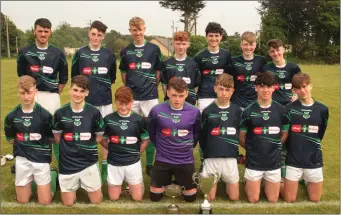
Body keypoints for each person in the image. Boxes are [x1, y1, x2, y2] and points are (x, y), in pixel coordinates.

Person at [71, 20, 117, 182]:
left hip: (105, 101)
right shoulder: (80, 54)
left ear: (103, 36)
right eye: (93, 34)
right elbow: (75, 79)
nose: (96, 37)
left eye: (99, 35)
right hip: (85, 103)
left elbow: (112, 78)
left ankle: (105, 167)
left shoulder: (109, 54)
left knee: (106, 136)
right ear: (88, 33)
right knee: (85, 135)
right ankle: (88, 167)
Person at [119, 17, 163, 177]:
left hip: (150, 96)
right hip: (133, 97)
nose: (138, 32)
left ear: (145, 29)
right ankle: (131, 159)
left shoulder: (154, 49)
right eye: (134, 30)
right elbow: (124, 74)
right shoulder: (125, 51)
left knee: (151, 130)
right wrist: (131, 90)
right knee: (131, 129)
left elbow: (158, 71)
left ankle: (150, 164)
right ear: (130, 30)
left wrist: (152, 86)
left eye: (140, 29)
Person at [52, 75, 105, 206]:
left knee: (97, 201)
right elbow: (57, 137)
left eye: (82, 91)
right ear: (70, 90)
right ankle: (53, 175)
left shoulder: (94, 113)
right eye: (75, 90)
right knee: (68, 204)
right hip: (68, 163)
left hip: (89, 162)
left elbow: (99, 136)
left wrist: (87, 146)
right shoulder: (60, 113)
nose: (78, 94)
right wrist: (69, 148)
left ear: (87, 93)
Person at [4, 75, 57, 205]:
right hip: (22, 160)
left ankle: (53, 175)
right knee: (22, 201)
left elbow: (52, 138)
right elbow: (11, 139)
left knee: (45, 201)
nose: (26, 96)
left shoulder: (45, 116)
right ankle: (31, 181)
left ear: (36, 91)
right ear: (18, 92)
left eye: (29, 92)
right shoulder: (11, 117)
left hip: (41, 160)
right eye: (22, 93)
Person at [239, 71, 290, 203]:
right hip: (254, 162)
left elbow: (284, 133)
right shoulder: (248, 111)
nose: (265, 90)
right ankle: (254, 181)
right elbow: (241, 136)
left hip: (273, 161)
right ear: (256, 88)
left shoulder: (282, 110)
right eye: (261, 86)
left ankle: (279, 181)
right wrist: (252, 149)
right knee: (253, 199)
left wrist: (276, 145)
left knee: (273, 199)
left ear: (274, 87)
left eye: (268, 86)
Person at [148, 77, 200, 202]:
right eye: (174, 95)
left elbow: (196, 134)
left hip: (185, 160)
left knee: (190, 198)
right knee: (155, 197)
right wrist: (162, 148)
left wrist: (185, 148)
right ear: (167, 93)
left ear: (187, 93)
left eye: (181, 95)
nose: (177, 99)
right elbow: (152, 133)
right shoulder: (156, 110)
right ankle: (169, 180)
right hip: (163, 159)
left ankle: (178, 179)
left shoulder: (194, 112)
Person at [284, 73, 329, 203]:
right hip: (293, 159)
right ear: (294, 90)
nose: (302, 90)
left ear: (310, 86)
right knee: (289, 199)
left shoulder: (322, 109)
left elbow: (321, 133)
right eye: (298, 88)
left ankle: (306, 179)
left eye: (305, 86)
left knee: (315, 199)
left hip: (314, 158)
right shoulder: (288, 109)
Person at [193, 22, 232, 167]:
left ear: (221, 37)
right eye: (211, 36)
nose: (214, 39)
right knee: (206, 130)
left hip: (223, 98)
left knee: (222, 130)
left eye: (216, 36)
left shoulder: (227, 55)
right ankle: (205, 162)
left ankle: (221, 161)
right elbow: (196, 81)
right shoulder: (199, 56)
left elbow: (230, 78)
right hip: (204, 97)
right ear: (206, 37)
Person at [263, 39, 301, 186]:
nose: (276, 53)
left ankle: (290, 170)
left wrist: (296, 96)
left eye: (278, 50)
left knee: (291, 138)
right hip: (273, 109)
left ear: (284, 49)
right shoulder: (267, 68)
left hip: (290, 109)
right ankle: (274, 169)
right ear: (269, 53)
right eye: (272, 51)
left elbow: (299, 84)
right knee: (275, 137)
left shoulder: (293, 67)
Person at [102, 86, 149, 201]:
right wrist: (112, 150)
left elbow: (145, 140)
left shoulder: (138, 120)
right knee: (113, 198)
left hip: (133, 162)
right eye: (120, 104)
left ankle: (135, 183)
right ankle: (120, 183)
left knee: (137, 198)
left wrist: (137, 153)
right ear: (115, 102)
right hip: (114, 162)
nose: (123, 107)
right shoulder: (108, 119)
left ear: (132, 102)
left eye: (126, 104)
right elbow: (102, 139)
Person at [200, 73, 241, 201]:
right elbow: (203, 136)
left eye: (227, 90)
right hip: (212, 157)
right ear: (215, 89)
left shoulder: (237, 111)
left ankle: (223, 179)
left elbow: (238, 132)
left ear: (232, 91)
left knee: (234, 197)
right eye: (221, 89)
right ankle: (206, 172)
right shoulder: (208, 111)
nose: (224, 93)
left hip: (230, 157)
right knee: (209, 197)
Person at [17, 18, 68, 115]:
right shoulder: (24, 52)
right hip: (31, 95)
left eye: (46, 31)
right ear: (34, 32)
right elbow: (21, 76)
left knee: (51, 127)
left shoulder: (58, 53)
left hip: (51, 96)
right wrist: (29, 93)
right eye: (40, 31)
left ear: (50, 32)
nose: (43, 34)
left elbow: (63, 79)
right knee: (32, 127)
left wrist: (54, 94)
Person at [161, 31, 201, 105]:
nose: (181, 47)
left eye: (183, 44)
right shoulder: (166, 63)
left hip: (189, 102)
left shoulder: (194, 64)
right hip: (171, 103)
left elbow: (196, 86)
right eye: (178, 44)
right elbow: (164, 85)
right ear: (173, 44)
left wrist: (192, 97)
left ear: (188, 44)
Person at [230, 31, 267, 110]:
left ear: (255, 45)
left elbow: (266, 81)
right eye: (245, 44)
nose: (248, 47)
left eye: (251, 44)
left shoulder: (261, 60)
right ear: (241, 45)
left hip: (256, 104)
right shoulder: (233, 61)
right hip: (237, 104)